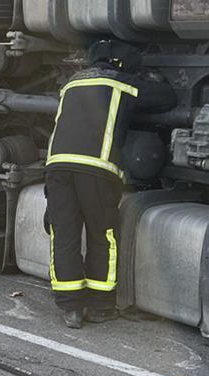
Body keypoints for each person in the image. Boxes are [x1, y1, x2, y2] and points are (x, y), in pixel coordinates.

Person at [44, 39, 175, 329]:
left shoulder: (71, 84)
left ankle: (71, 309)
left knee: (63, 235)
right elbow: (166, 98)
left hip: (57, 167)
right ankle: (102, 306)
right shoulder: (123, 84)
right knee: (102, 235)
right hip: (96, 169)